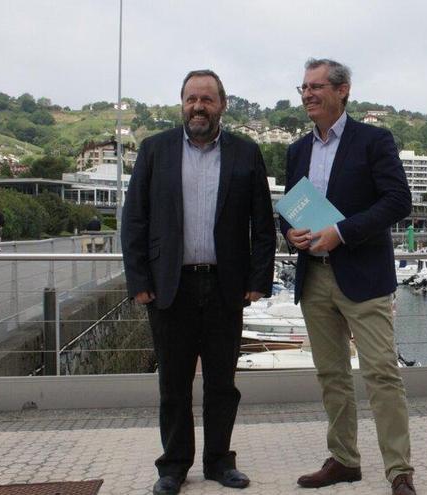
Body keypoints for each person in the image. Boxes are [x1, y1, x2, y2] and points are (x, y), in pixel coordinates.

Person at [121, 69, 276, 495]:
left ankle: (219, 462)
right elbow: (134, 220)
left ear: (222, 105)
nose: (198, 107)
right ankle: (172, 467)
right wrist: (139, 281)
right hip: (170, 286)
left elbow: (263, 224)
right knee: (172, 383)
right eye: (191, 98)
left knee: (222, 384)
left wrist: (259, 278)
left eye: (207, 99)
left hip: (226, 287)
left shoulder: (246, 153)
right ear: (182, 103)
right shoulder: (156, 151)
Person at [280, 58, 416, 495]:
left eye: (317, 86)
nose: (308, 95)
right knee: (331, 375)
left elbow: (398, 200)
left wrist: (342, 232)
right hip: (313, 276)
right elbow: (290, 211)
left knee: (381, 373)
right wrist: (291, 234)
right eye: (304, 88)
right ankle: (344, 460)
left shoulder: (374, 140)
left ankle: (399, 471)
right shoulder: (296, 150)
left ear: (344, 91)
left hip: (362, 275)